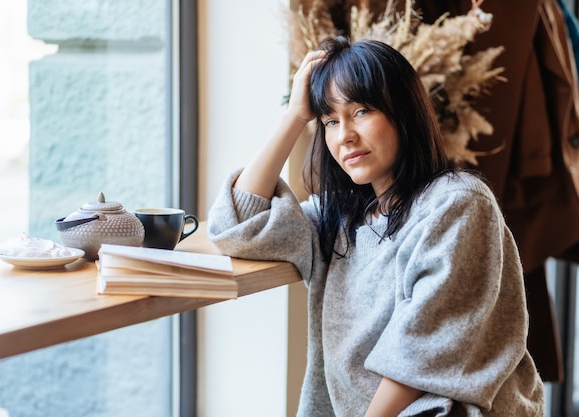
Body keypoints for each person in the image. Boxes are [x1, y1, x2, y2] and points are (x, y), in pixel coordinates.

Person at [207, 37, 545, 417]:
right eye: (330, 120)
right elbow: (237, 225)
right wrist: (294, 118)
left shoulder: (458, 204)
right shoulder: (340, 218)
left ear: (403, 111)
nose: (344, 135)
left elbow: (419, 355)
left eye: (362, 111)